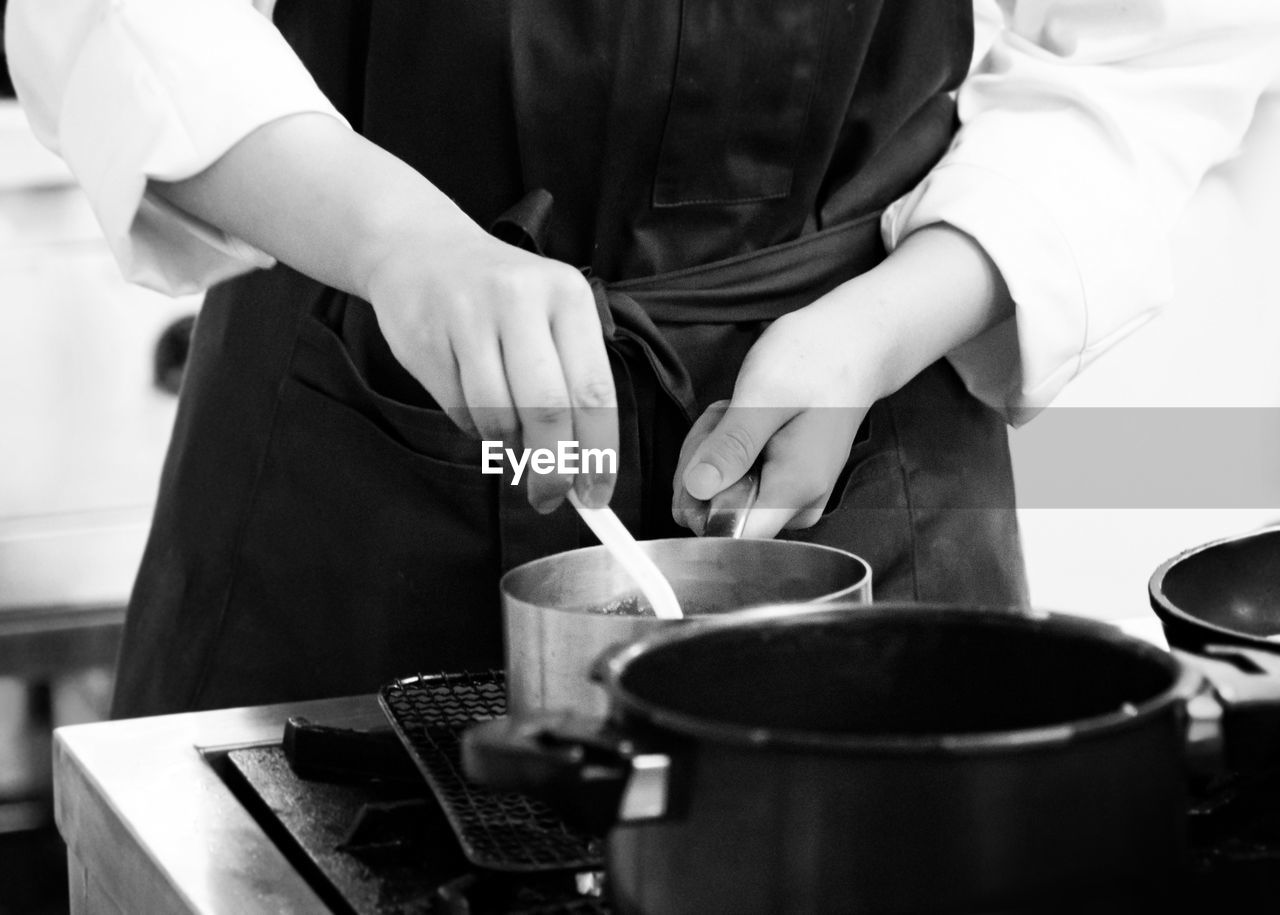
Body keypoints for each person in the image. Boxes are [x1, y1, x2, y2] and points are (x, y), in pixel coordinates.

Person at [7, 0, 1278, 717]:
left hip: (876, 422)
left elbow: (1154, 46)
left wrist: (881, 324)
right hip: (342, 438)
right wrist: (395, 240)